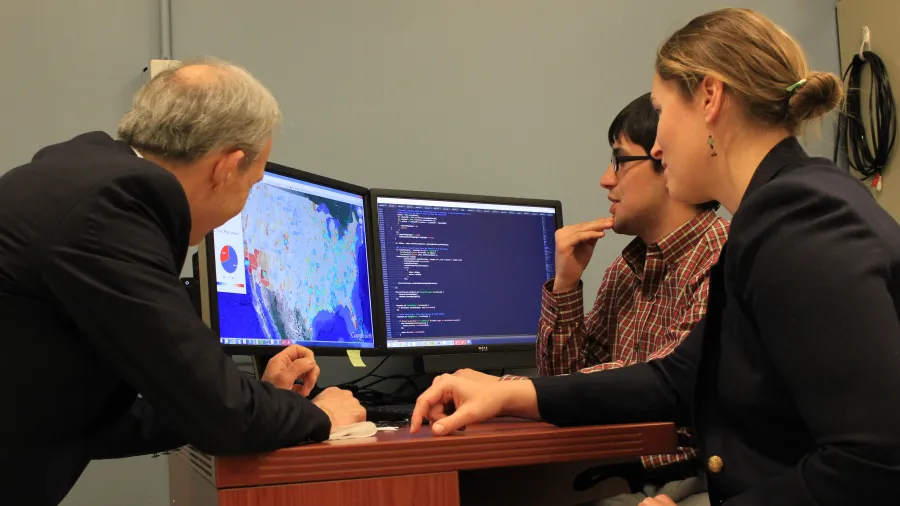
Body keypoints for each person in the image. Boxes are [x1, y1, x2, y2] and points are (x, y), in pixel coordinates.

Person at [411, 8, 900, 506]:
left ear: (710, 97)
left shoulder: (801, 222)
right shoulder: (772, 217)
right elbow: (676, 379)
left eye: (662, 112)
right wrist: (509, 393)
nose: (659, 146)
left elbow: (873, 466)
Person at [0, 58, 365, 506]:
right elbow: (222, 419)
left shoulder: (79, 178)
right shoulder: (113, 208)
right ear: (227, 167)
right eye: (253, 184)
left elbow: (93, 417)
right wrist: (318, 415)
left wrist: (263, 398)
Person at [456, 93, 728, 503]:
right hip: (638, 476)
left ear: (667, 161)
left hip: (705, 480)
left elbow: (661, 384)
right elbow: (566, 385)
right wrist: (566, 285)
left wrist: (504, 389)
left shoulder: (720, 255)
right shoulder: (627, 268)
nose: (606, 179)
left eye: (619, 160)